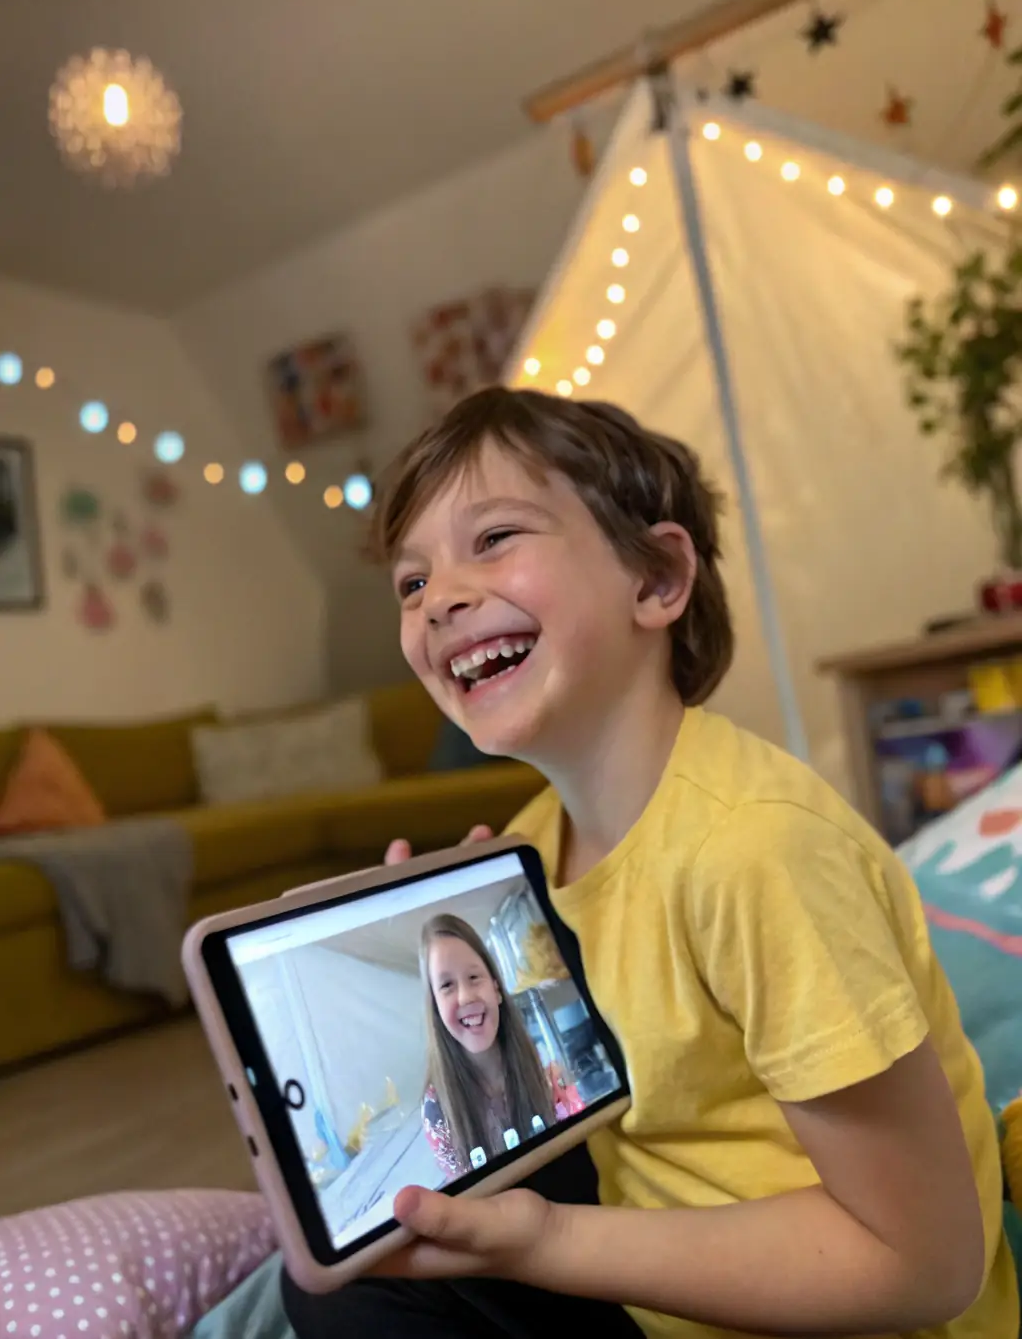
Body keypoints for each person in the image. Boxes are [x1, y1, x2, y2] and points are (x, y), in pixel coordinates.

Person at [283, 387, 1019, 1339]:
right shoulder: (528, 843)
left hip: (848, 1307)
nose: (442, 600)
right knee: (349, 1264)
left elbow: (925, 1263)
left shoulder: (755, 848)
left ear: (657, 579)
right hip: (664, 1259)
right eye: (412, 583)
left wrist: (548, 1240)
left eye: (495, 536)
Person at [418, 912, 583, 1180]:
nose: (465, 996)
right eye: (447, 985)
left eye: (474, 977)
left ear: (496, 988)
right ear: (435, 1008)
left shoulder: (545, 1069)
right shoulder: (437, 1112)